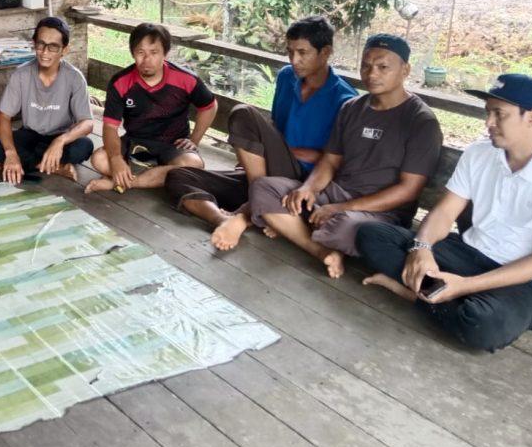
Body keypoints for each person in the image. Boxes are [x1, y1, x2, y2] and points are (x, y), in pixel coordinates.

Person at [357, 74, 532, 352]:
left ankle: (413, 293)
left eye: (499, 114)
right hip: (470, 253)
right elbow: (446, 212)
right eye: (487, 113)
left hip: (529, 282)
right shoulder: (480, 154)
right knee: (370, 235)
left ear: (531, 117)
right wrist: (421, 249)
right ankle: (436, 295)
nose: (488, 123)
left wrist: (465, 285)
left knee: (483, 324)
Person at [249, 34, 441, 278]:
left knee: (346, 226)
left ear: (405, 70)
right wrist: (308, 189)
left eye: (383, 67)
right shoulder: (352, 108)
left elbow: (408, 190)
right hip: (336, 194)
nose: (372, 74)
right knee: (264, 188)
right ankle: (319, 249)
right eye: (366, 66)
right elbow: (330, 161)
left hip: (382, 212)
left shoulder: (420, 121)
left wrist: (339, 208)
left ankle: (293, 227)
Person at [166, 16, 357, 250]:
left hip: (301, 186)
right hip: (267, 173)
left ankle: (248, 212)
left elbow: (339, 163)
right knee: (179, 176)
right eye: (289, 52)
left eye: (302, 52)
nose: (294, 60)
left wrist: (296, 153)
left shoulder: (345, 101)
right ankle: (225, 218)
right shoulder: (287, 77)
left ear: (325, 52)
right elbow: (276, 126)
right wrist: (254, 158)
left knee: (243, 113)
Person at [86, 22, 217, 194]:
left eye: (154, 52)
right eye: (141, 52)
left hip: (173, 143)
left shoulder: (185, 79)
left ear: (165, 53)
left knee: (193, 165)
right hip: (135, 141)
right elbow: (110, 127)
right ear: (133, 53)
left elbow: (209, 106)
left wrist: (194, 139)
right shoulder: (121, 82)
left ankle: (126, 182)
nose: (146, 60)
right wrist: (116, 158)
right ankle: (154, 176)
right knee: (100, 159)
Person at [0, 16, 94, 184]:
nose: (45, 52)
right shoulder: (21, 74)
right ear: (34, 44)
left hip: (60, 137)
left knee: (84, 146)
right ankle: (54, 166)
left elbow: (88, 123)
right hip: (29, 136)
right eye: (41, 44)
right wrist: (11, 153)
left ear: (64, 50)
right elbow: (3, 117)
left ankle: (24, 164)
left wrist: (60, 141)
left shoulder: (75, 78)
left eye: (53, 47)